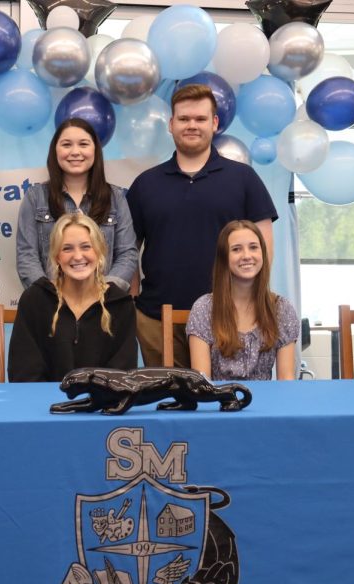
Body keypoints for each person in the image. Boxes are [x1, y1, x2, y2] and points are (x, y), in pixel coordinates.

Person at [127, 84, 278, 368]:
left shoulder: (244, 179)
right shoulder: (145, 184)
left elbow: (264, 247)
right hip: (158, 319)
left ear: (215, 123)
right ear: (171, 125)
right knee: (166, 405)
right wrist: (133, 300)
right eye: (184, 119)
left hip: (229, 317)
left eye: (200, 119)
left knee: (225, 405)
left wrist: (253, 304)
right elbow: (128, 248)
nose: (192, 125)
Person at [8, 213, 137, 382]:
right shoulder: (34, 300)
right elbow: (23, 374)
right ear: (56, 257)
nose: (77, 256)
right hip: (43, 405)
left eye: (86, 247)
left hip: (100, 405)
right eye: (67, 248)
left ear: (99, 252)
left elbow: (122, 378)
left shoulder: (121, 304)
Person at [16, 117, 138, 291]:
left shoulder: (116, 198)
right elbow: (26, 255)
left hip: (104, 306)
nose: (75, 152)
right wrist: (49, 293)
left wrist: (105, 292)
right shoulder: (35, 197)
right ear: (55, 151)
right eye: (66, 145)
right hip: (50, 306)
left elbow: (127, 254)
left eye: (83, 144)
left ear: (95, 150)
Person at [186, 220, 298, 381]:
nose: (247, 256)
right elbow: (202, 381)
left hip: (268, 403)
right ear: (224, 257)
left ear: (262, 253)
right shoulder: (203, 308)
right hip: (219, 403)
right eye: (236, 249)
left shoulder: (281, 308)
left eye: (253, 247)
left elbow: (287, 379)